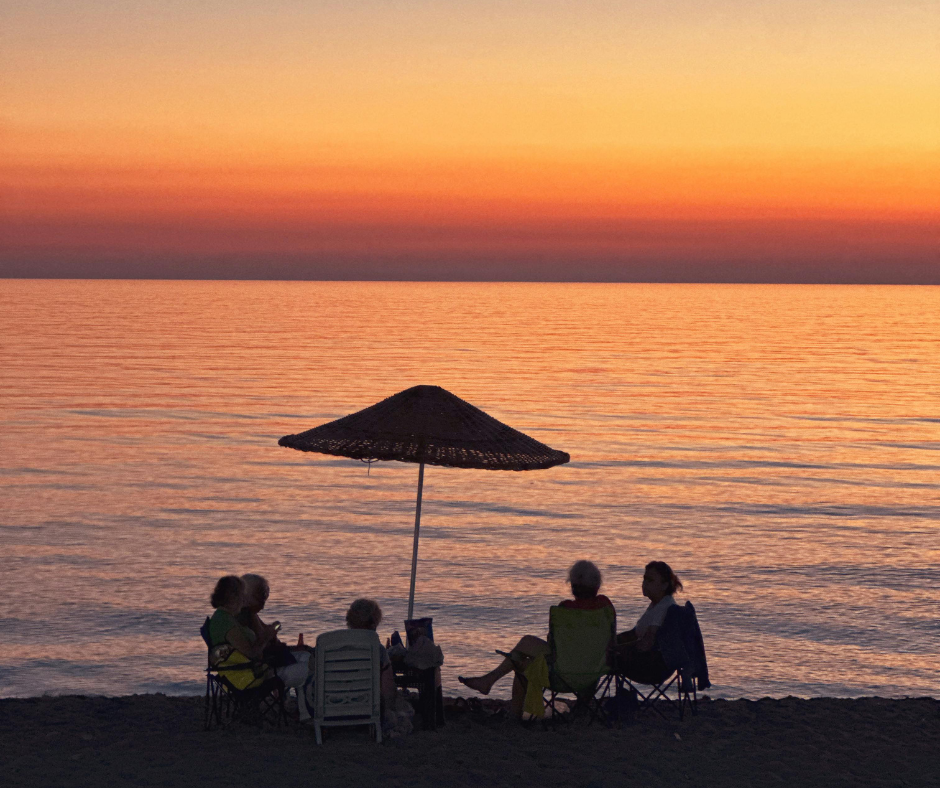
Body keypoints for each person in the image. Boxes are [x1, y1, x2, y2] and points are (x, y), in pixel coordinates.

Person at [457, 560, 614, 717]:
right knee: (521, 659)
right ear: (597, 586)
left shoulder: (564, 610)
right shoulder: (605, 607)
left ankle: (505, 703)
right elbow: (610, 640)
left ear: (572, 587)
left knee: (523, 658)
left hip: (561, 676)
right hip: (593, 674)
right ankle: (489, 681)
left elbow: (553, 645)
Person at [239, 573, 312, 701]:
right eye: (261, 600)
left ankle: (303, 708)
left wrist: (271, 630)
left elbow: (264, 635)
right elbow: (260, 645)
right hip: (263, 670)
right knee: (312, 668)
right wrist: (271, 633)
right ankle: (307, 709)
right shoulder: (245, 617)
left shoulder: (248, 614)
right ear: (249, 597)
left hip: (266, 664)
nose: (263, 606)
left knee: (307, 658)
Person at [615, 560, 683, 682]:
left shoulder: (664, 607)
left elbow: (648, 643)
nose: (644, 584)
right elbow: (634, 634)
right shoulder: (656, 605)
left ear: (664, 585)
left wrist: (616, 649)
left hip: (652, 667)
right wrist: (612, 641)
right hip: (649, 662)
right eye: (644, 579)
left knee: (606, 657)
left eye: (650, 580)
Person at [345, 598, 398, 710]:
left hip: (333, 706)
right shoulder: (377, 650)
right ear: (373, 624)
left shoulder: (331, 646)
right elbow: (388, 690)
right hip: (366, 706)